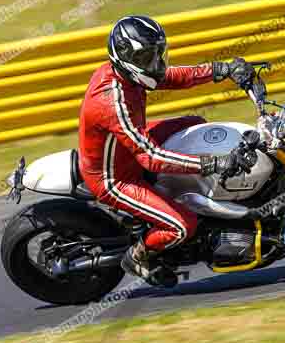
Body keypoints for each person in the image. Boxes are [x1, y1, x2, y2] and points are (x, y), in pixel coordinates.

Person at [78, 15, 256, 286]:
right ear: (126, 56)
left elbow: (172, 76)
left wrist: (222, 69)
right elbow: (150, 157)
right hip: (114, 178)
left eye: (158, 54)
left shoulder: (131, 73)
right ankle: (139, 256)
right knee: (182, 225)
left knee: (196, 125)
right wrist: (215, 163)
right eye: (149, 56)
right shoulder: (111, 101)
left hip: (129, 150)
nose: (156, 64)